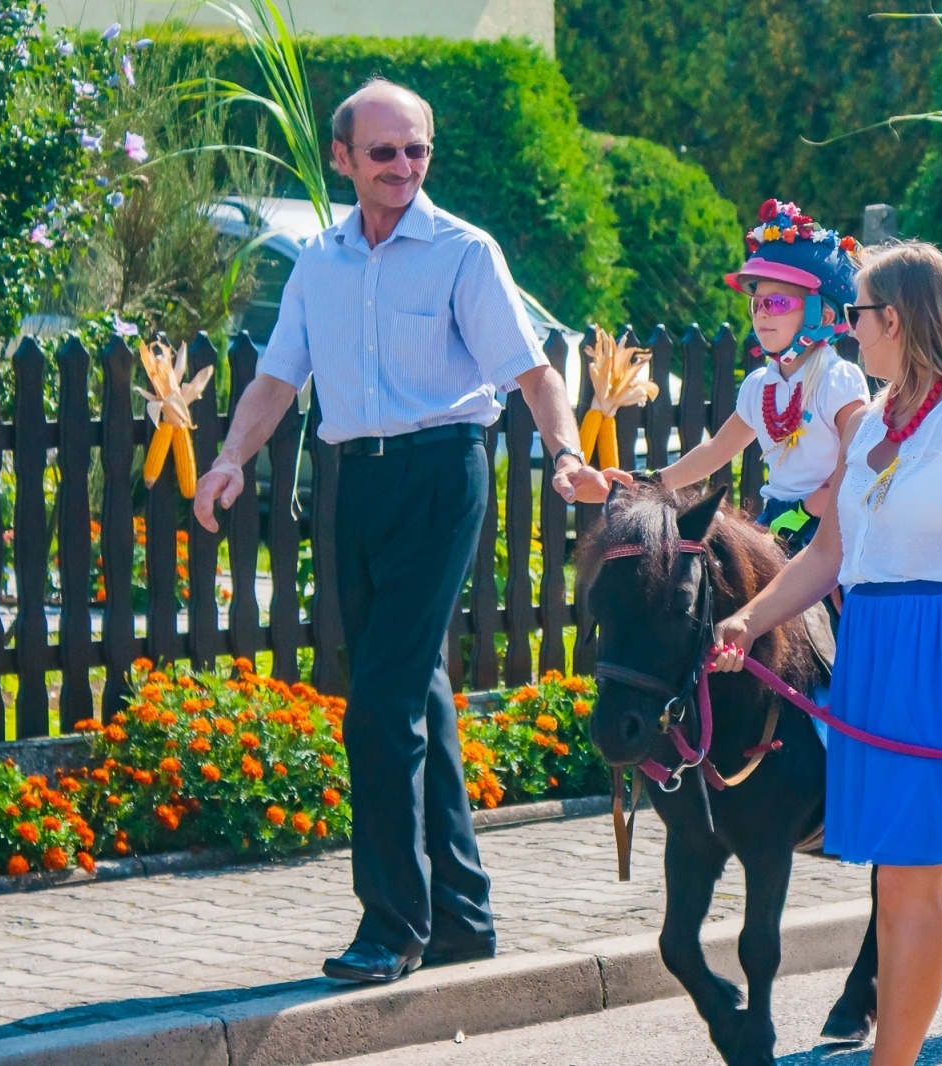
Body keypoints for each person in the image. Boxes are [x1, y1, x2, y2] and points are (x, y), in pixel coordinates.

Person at [192, 78, 626, 984]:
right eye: (383, 151)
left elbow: (532, 370)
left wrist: (561, 449)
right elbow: (279, 378)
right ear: (344, 159)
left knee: (381, 706)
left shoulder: (464, 253)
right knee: (412, 687)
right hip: (351, 485)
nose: (402, 167)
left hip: (439, 478)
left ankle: (391, 926)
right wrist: (231, 457)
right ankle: (464, 916)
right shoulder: (319, 263)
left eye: (417, 150)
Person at [709, 242, 942, 1065]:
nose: (846, 329)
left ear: (901, 318)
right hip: (880, 652)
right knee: (936, 877)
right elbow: (827, 555)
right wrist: (749, 618)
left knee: (907, 881)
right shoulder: (873, 420)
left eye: (858, 314)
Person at [648, 198, 868, 552]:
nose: (762, 313)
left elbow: (855, 467)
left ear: (822, 316)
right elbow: (716, 450)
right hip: (777, 522)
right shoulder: (759, 386)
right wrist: (652, 484)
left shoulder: (838, 380)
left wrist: (800, 514)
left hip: (830, 524)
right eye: (757, 303)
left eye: (778, 303)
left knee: (838, 603)